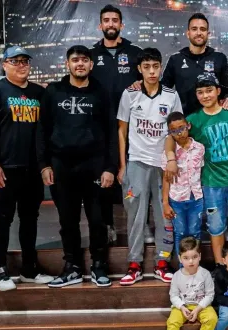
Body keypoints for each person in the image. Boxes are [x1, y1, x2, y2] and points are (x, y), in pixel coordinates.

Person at [37, 45, 118, 288]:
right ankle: (71, 266)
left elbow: (112, 133)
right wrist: (44, 165)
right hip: (62, 165)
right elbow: (42, 131)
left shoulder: (101, 93)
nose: (80, 64)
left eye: (84, 60)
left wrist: (110, 168)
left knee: (97, 219)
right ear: (67, 64)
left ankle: (99, 265)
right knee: (68, 220)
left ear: (91, 65)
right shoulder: (53, 91)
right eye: (75, 60)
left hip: (94, 165)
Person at [164, 72, 228, 271]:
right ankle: (221, 266)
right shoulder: (194, 119)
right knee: (216, 227)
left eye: (209, 90)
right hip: (211, 184)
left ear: (218, 91)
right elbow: (172, 136)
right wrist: (170, 157)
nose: (205, 96)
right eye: (200, 92)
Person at [0, 46, 53, 291]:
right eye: (15, 61)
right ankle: (1, 271)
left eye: (25, 61)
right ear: (4, 64)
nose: (21, 65)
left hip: (32, 168)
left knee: (30, 219)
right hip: (5, 167)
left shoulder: (38, 92)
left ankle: (29, 269)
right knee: (3, 219)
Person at [117, 48, 182, 285]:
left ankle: (162, 262)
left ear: (161, 67)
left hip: (163, 164)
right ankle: (134, 264)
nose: (152, 71)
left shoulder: (171, 95)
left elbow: (176, 130)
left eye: (156, 66)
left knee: (165, 213)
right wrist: (123, 165)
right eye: (147, 67)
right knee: (136, 214)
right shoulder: (130, 94)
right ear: (139, 69)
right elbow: (122, 131)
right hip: (137, 161)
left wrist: (172, 159)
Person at [90, 4, 144, 244]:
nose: (110, 24)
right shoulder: (91, 55)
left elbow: (149, 83)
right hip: (101, 127)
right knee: (105, 175)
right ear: (100, 25)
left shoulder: (135, 53)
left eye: (115, 20)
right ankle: (108, 225)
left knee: (137, 175)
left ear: (121, 24)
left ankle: (142, 225)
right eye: (106, 20)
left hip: (133, 125)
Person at [161, 12, 228, 116]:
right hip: (184, 122)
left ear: (208, 34)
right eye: (194, 29)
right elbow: (163, 90)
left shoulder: (219, 58)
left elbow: (227, 90)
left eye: (203, 29)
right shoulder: (176, 59)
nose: (199, 33)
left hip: (212, 119)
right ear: (188, 33)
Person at [161, 112, 205, 259]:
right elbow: (166, 179)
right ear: (170, 132)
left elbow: (202, 171)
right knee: (180, 232)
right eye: (174, 130)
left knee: (195, 232)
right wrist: (166, 203)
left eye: (182, 128)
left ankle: (196, 263)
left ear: (188, 126)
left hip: (196, 198)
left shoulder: (199, 148)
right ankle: (183, 266)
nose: (179, 133)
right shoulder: (168, 154)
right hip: (177, 199)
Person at [166, 237, 217, 330]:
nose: (190, 261)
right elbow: (173, 296)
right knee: (172, 321)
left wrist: (198, 309)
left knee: (212, 318)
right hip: (183, 306)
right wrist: (182, 307)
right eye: (186, 258)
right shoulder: (177, 276)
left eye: (194, 257)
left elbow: (210, 295)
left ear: (199, 256)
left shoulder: (205, 274)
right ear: (180, 259)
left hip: (201, 306)